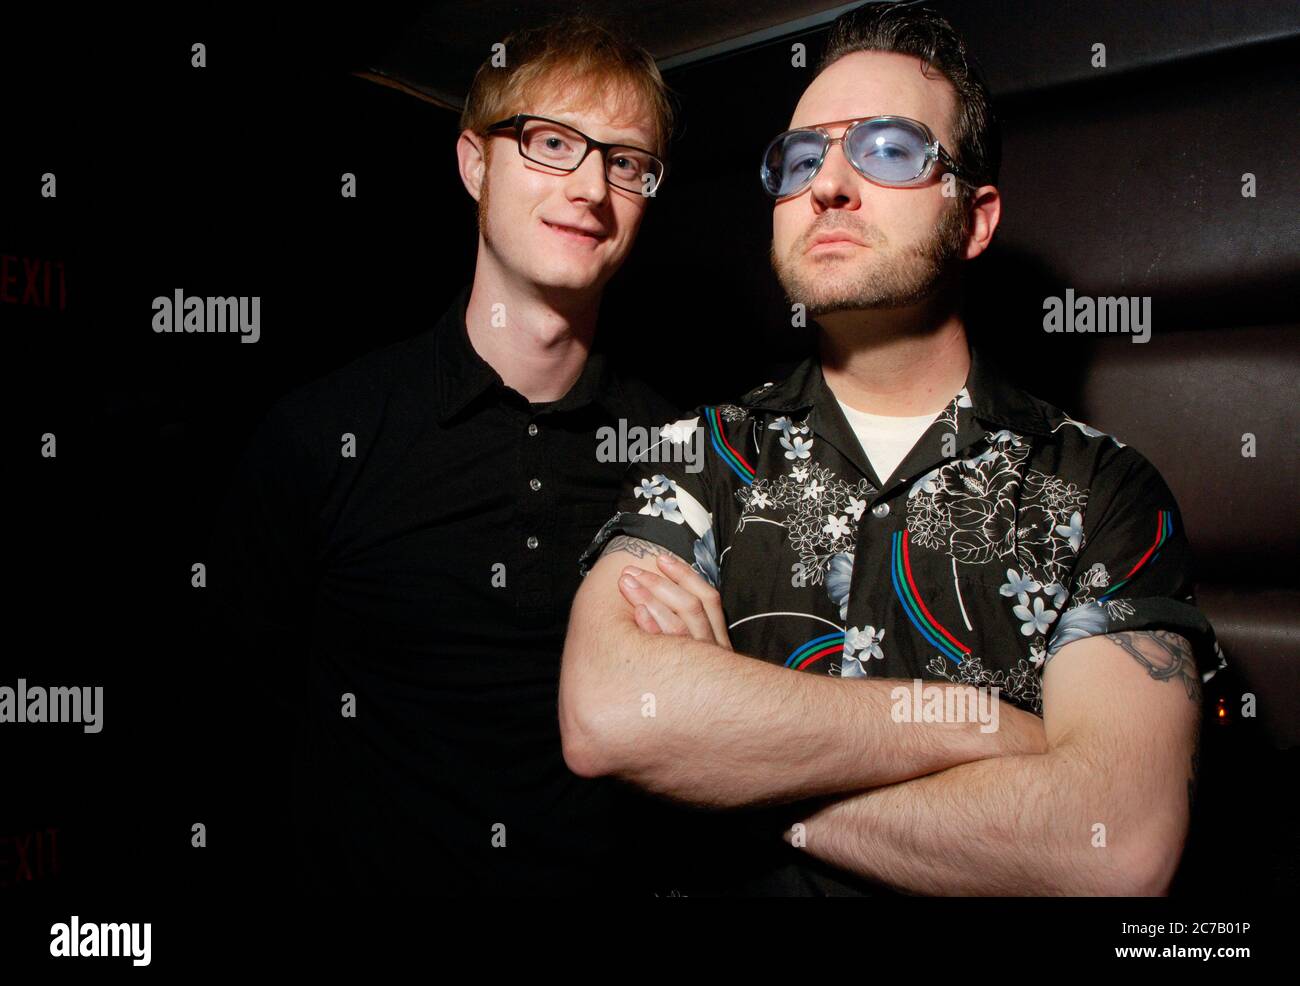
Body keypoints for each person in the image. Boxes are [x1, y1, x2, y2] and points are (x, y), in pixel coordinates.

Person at [560, 2, 1226, 895]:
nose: (828, 185)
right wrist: (973, 725)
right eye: (803, 158)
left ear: (976, 218)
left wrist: (734, 777)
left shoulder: (1101, 490)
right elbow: (608, 716)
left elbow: (1114, 847)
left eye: (889, 149)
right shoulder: (703, 453)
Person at [202, 15, 681, 895]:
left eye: (625, 162)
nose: (590, 189)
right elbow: (224, 725)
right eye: (550, 142)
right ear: (474, 164)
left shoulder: (679, 460)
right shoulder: (323, 434)